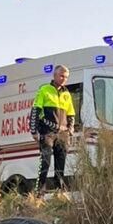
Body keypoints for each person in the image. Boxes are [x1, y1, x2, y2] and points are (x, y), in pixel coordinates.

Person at [31, 63, 76, 195]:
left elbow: (71, 113)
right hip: (48, 132)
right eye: (61, 76)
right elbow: (35, 111)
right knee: (45, 161)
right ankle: (39, 192)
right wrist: (34, 130)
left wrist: (71, 128)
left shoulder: (67, 93)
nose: (64, 79)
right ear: (55, 75)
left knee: (60, 163)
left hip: (63, 134)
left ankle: (59, 191)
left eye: (66, 77)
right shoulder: (44, 89)